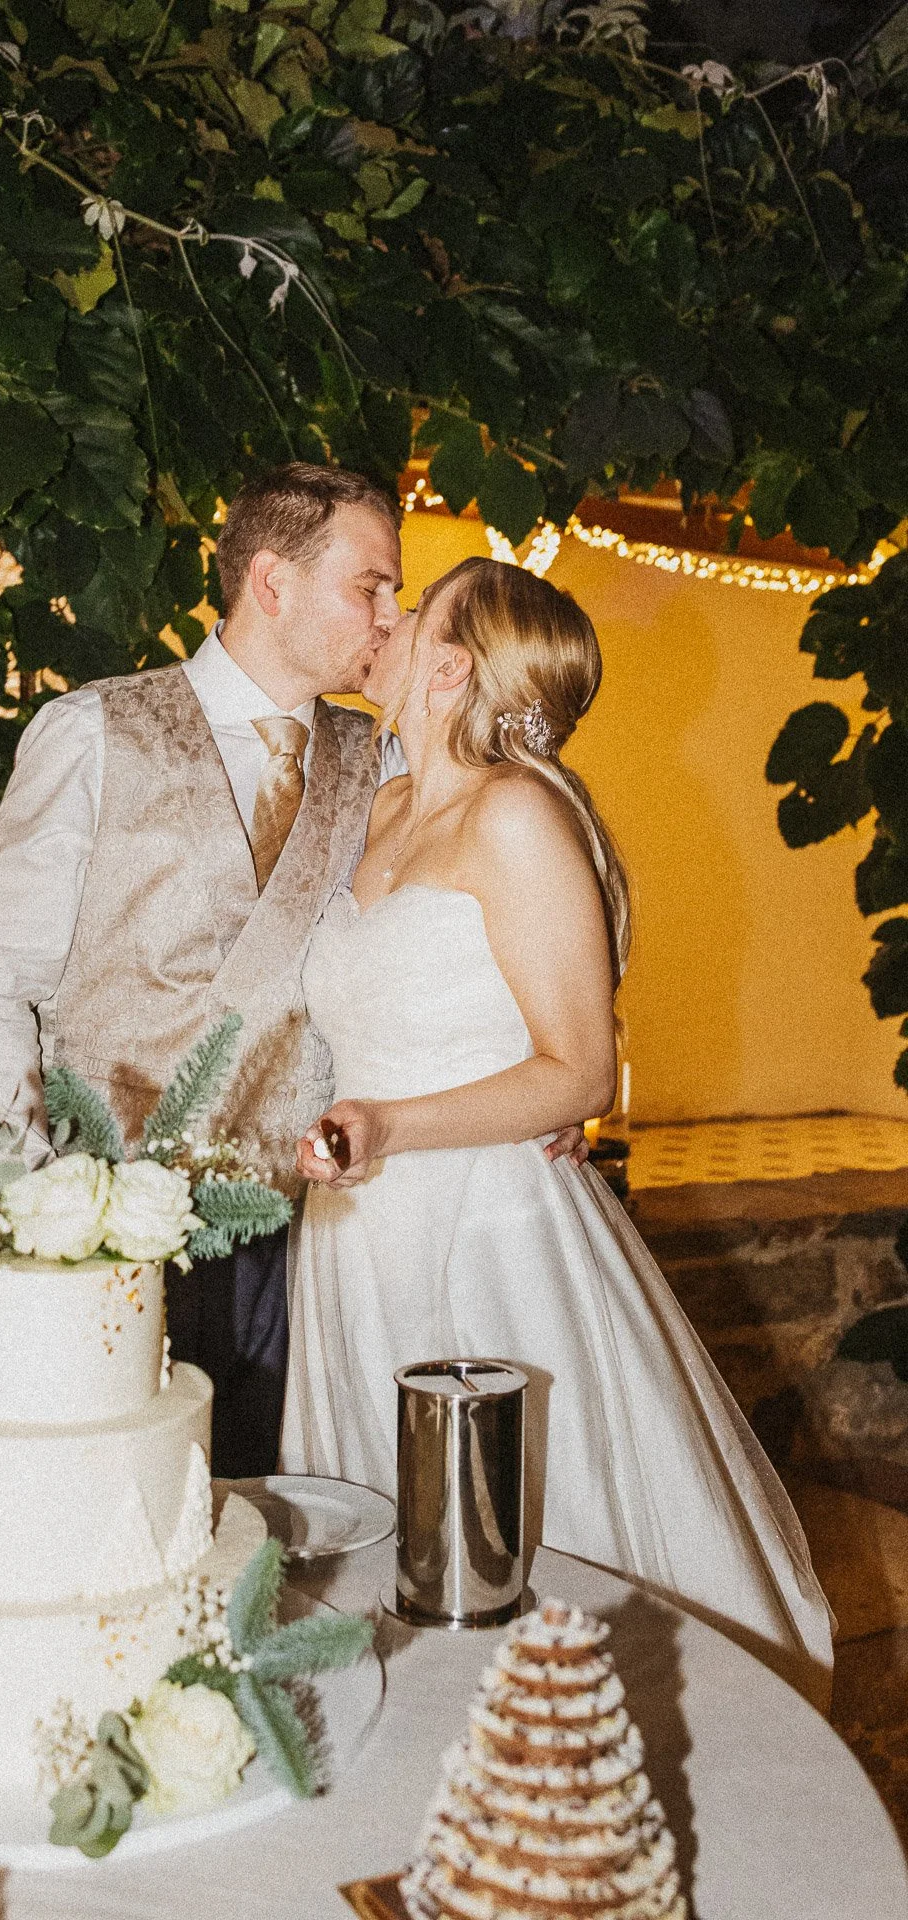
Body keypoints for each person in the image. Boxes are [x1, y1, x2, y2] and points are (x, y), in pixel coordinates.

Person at [0, 461, 584, 1477]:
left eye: (394, 595)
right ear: (271, 579)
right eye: (368, 586)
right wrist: (26, 1201)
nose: (388, 617)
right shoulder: (93, 733)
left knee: (298, 1528)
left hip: (318, 1238)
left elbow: (506, 907)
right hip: (110, 1223)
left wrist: (541, 1079)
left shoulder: (389, 769)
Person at [281, 555, 835, 1708]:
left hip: (480, 1229)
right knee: (382, 1538)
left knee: (520, 1540)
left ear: (448, 664)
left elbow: (576, 1068)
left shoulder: (518, 816)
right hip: (352, 1227)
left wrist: (389, 1121)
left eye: (411, 607)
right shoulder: (375, 801)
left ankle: (558, 1756)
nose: (384, 624)